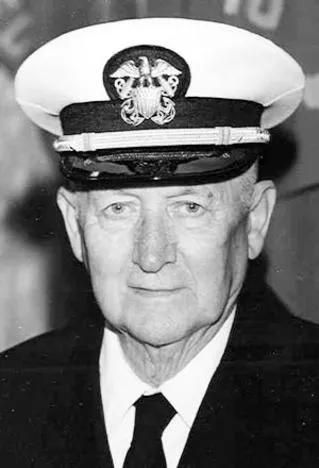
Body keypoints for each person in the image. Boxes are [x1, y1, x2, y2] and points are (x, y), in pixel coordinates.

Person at [1, 17, 318, 468]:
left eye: (190, 208)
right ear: (74, 226)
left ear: (255, 221)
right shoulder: (12, 395)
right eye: (119, 209)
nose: (152, 255)